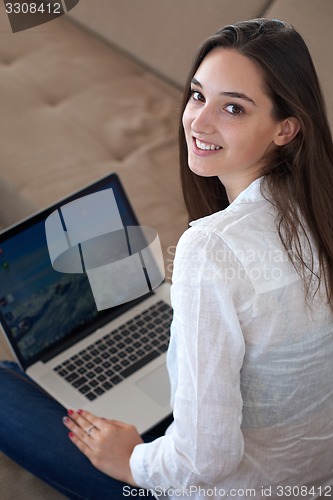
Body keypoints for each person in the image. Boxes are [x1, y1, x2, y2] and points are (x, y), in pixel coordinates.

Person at [1, 17, 333, 500]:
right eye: (198, 95)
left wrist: (132, 461)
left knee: (7, 383)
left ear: (286, 127)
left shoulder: (212, 249)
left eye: (234, 108)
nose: (198, 121)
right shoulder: (319, 206)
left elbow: (205, 461)